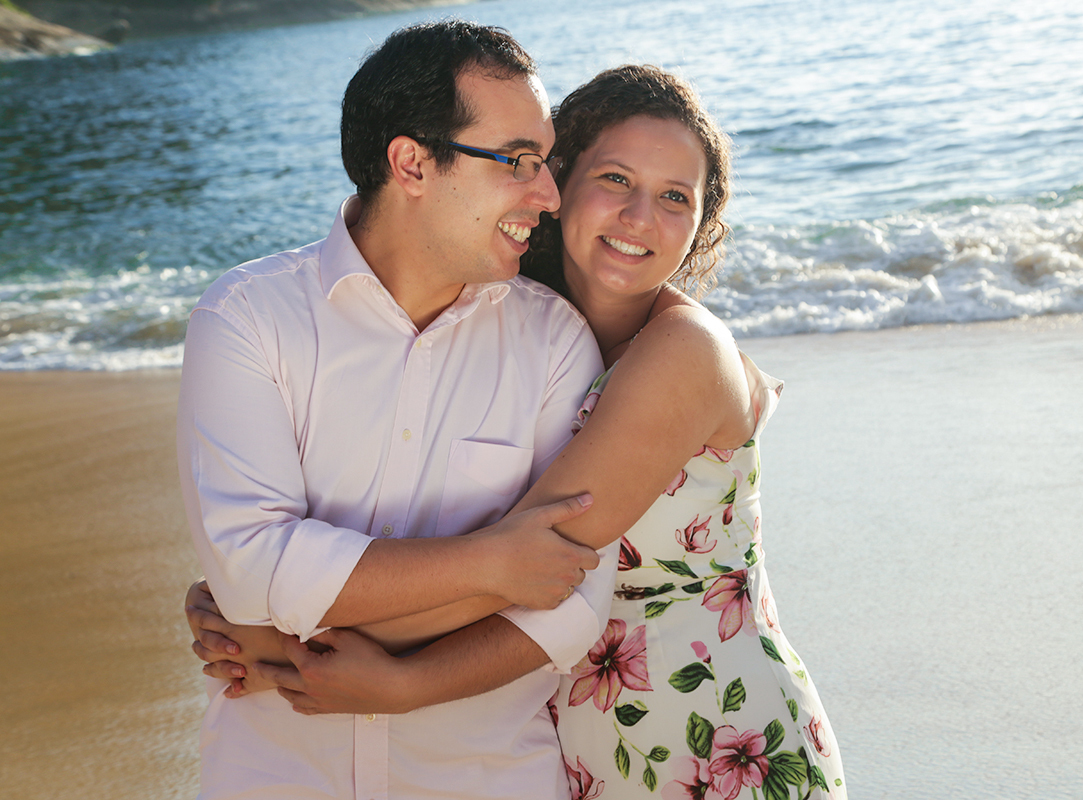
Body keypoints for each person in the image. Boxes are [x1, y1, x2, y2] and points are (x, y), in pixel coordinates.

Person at [190, 65, 848, 799]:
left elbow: (532, 564)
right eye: (616, 179)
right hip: (583, 735)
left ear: (702, 224)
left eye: (674, 198)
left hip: (710, 732)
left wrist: (288, 635)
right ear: (558, 186)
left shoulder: (683, 354)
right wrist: (249, 582)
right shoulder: (525, 325)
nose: (639, 217)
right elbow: (469, 545)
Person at [176, 19, 622, 800]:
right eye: (518, 160)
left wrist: (294, 620)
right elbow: (251, 570)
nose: (549, 194)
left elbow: (572, 598)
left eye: (545, 163)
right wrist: (491, 563)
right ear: (412, 163)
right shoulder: (246, 319)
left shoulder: (553, 346)